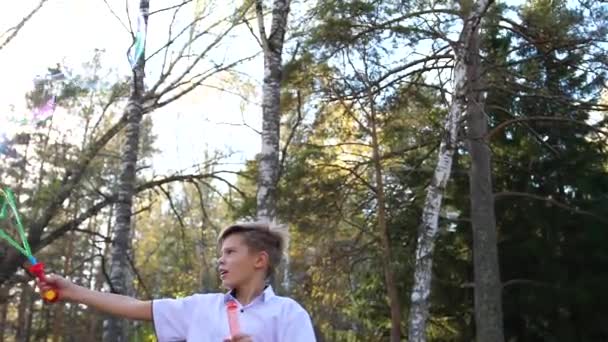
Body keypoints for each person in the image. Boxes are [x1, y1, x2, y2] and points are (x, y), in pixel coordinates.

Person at [37, 222, 316, 342]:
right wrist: (72, 291)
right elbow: (133, 306)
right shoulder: (199, 307)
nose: (220, 261)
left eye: (230, 252)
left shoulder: (289, 313)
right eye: (220, 254)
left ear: (260, 260)